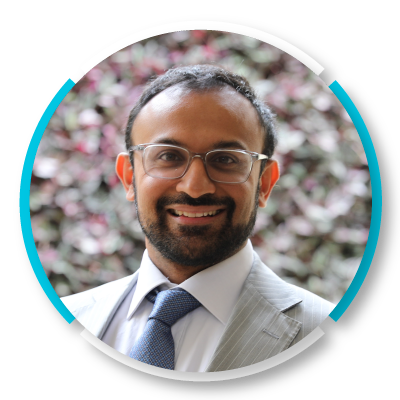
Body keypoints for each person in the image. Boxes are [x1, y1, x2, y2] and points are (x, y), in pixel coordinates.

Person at [61, 64, 335, 372]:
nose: (194, 187)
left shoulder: (317, 327)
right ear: (128, 177)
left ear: (264, 183)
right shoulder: (74, 313)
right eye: (168, 156)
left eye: (226, 159)